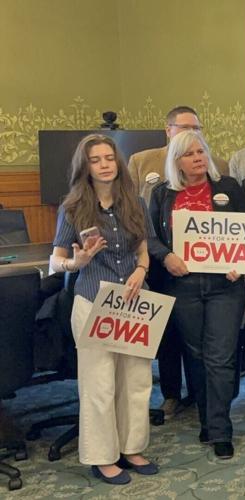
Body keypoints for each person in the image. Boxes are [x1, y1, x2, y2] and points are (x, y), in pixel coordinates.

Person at [50, 134, 158, 484]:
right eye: (95, 160)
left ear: (118, 161)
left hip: (134, 303)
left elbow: (143, 249)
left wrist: (141, 270)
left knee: (136, 381)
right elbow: (56, 260)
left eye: (109, 158)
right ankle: (102, 457)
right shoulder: (72, 207)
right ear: (85, 167)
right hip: (93, 302)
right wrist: (77, 262)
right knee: (98, 385)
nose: (104, 165)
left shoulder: (135, 203)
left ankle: (131, 447)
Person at [147, 130, 245, 460]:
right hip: (183, 287)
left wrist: (241, 262)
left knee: (221, 357)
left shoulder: (228, 187)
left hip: (225, 288)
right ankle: (207, 419)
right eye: (190, 154)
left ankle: (220, 429)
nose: (198, 158)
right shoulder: (163, 194)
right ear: (176, 161)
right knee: (197, 356)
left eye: (201, 151)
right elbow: (149, 237)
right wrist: (166, 256)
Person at [128, 105, 228, 419]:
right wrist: (161, 256)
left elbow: (236, 226)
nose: (190, 134)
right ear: (168, 129)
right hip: (165, 268)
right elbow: (135, 213)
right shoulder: (142, 161)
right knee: (170, 336)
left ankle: (203, 399)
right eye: (184, 128)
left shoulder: (218, 165)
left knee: (207, 345)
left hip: (214, 275)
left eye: (196, 128)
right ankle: (171, 394)